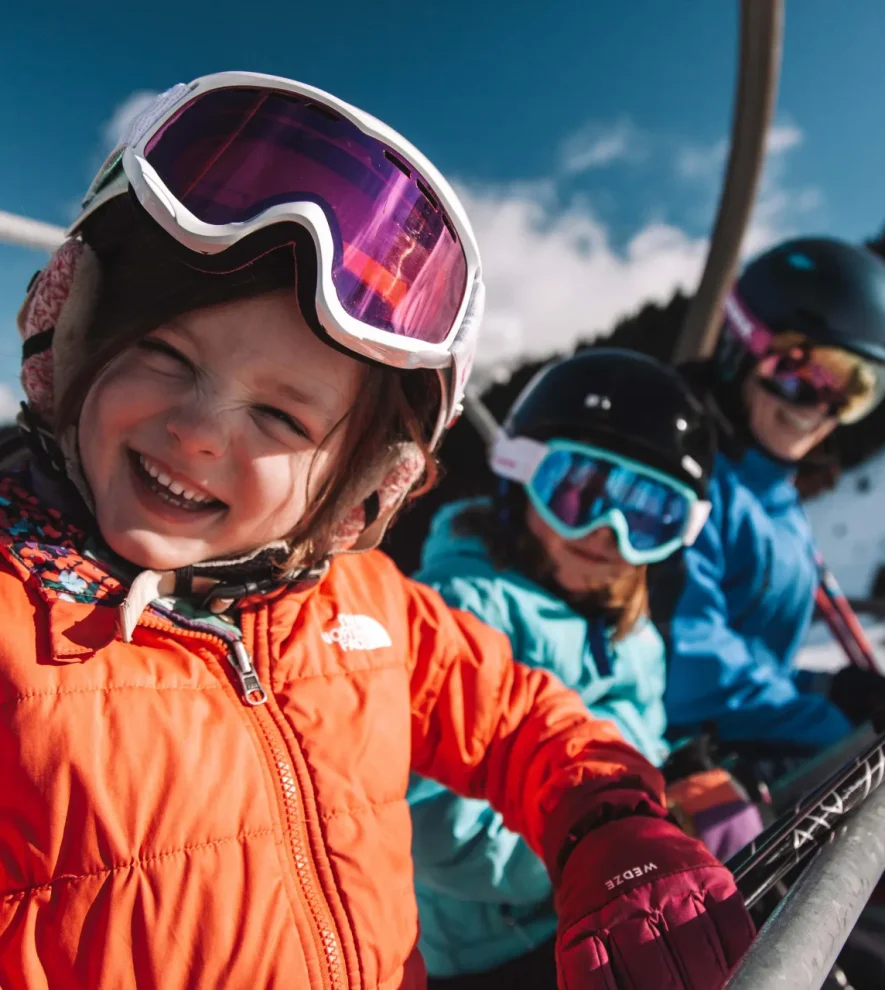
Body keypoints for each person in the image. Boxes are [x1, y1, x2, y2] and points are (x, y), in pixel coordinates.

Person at [0, 72, 753, 989]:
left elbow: (520, 717)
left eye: (280, 418)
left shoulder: (364, 607)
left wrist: (608, 819)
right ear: (72, 332)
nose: (199, 430)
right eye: (164, 355)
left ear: (364, 482)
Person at [407, 350, 761, 989]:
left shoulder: (635, 635)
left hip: (603, 912)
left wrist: (675, 774)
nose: (607, 532)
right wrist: (603, 849)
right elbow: (436, 830)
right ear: (521, 475)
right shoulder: (463, 609)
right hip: (485, 956)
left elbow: (634, 736)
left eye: (648, 515)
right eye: (579, 493)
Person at [660, 237, 885, 767]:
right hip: (669, 766)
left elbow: (752, 658)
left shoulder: (778, 500)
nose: (822, 407)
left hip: (744, 746)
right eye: (803, 374)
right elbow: (688, 664)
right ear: (745, 344)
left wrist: (827, 693)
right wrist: (829, 726)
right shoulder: (686, 478)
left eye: (853, 390)